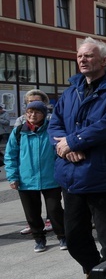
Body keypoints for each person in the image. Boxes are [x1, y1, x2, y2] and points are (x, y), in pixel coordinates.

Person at [48, 36, 106, 279]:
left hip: (102, 177)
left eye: (88, 55)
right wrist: (65, 146)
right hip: (71, 175)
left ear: (104, 61)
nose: (82, 60)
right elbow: (55, 124)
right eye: (80, 56)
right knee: (74, 237)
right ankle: (92, 278)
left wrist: (74, 141)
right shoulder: (70, 89)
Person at [6, 101, 66, 253]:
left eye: (37, 112)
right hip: (26, 180)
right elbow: (10, 155)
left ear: (44, 114)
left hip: (51, 178)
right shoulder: (19, 131)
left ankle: (62, 236)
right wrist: (12, 177)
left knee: (55, 210)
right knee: (32, 213)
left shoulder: (52, 130)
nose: (33, 115)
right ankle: (39, 238)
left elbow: (60, 153)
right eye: (30, 112)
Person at [15, 90, 53, 235]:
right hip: (28, 170)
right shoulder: (20, 122)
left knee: (53, 203)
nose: (33, 106)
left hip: (48, 171)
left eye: (37, 101)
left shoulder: (51, 120)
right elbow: (15, 147)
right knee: (31, 204)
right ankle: (34, 226)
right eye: (30, 102)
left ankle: (52, 222)